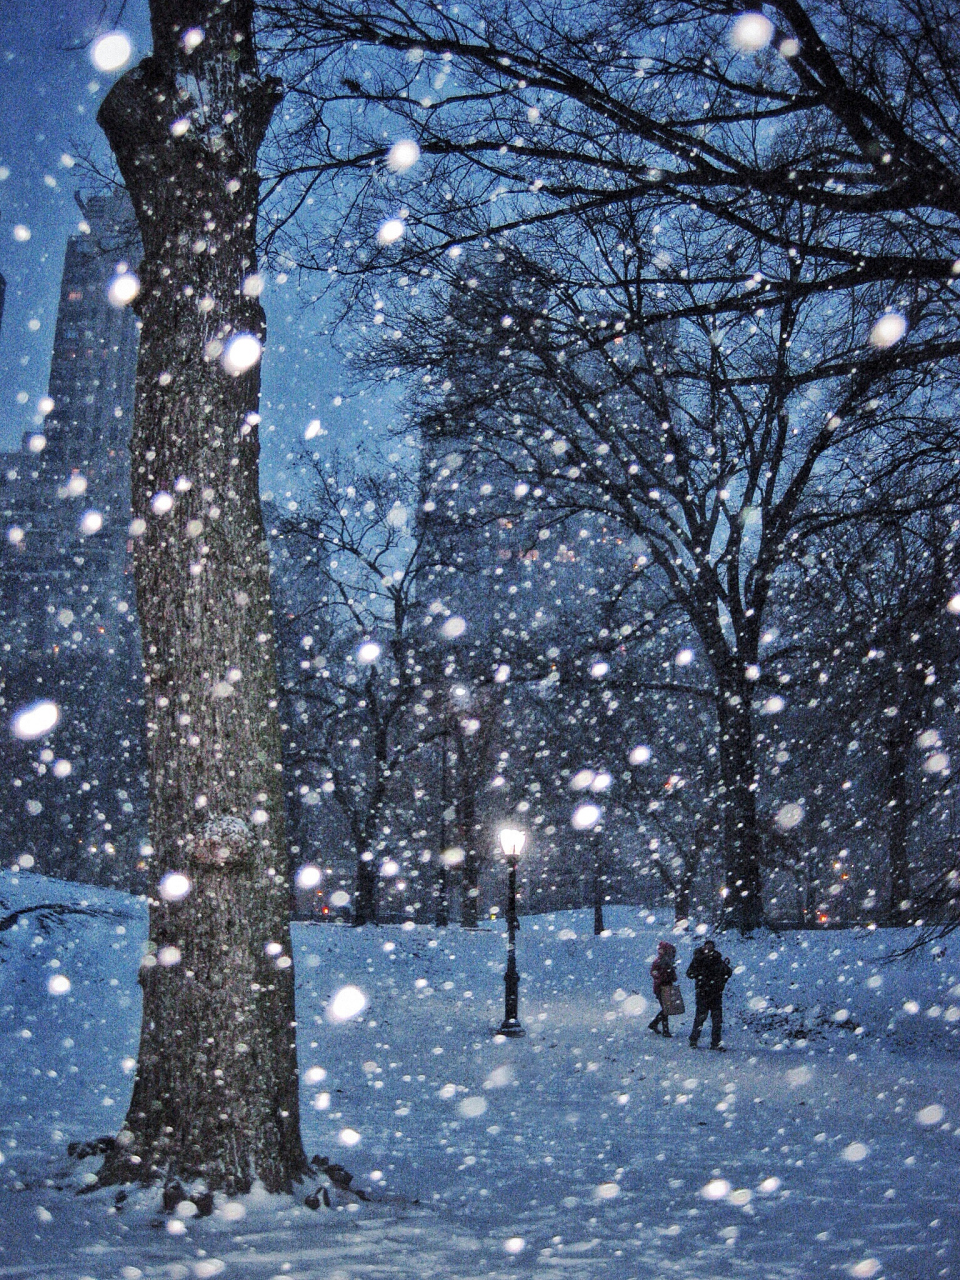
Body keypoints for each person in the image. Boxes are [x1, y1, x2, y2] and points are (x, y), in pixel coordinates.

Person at [686, 939, 732, 1050]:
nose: (709, 950)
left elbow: (727, 972)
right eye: (707, 947)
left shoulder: (717, 959)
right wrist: (700, 975)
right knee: (701, 1018)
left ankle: (715, 1043)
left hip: (715, 993)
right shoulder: (698, 960)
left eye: (711, 947)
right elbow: (689, 973)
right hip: (703, 993)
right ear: (703, 948)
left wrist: (723, 970)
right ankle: (694, 1040)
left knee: (717, 1020)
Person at [648, 940, 678, 1037]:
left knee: (666, 1008)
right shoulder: (660, 961)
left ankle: (656, 1024)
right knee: (666, 1008)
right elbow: (654, 973)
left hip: (665, 986)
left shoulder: (666, 961)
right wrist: (664, 977)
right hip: (661, 987)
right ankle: (664, 1029)